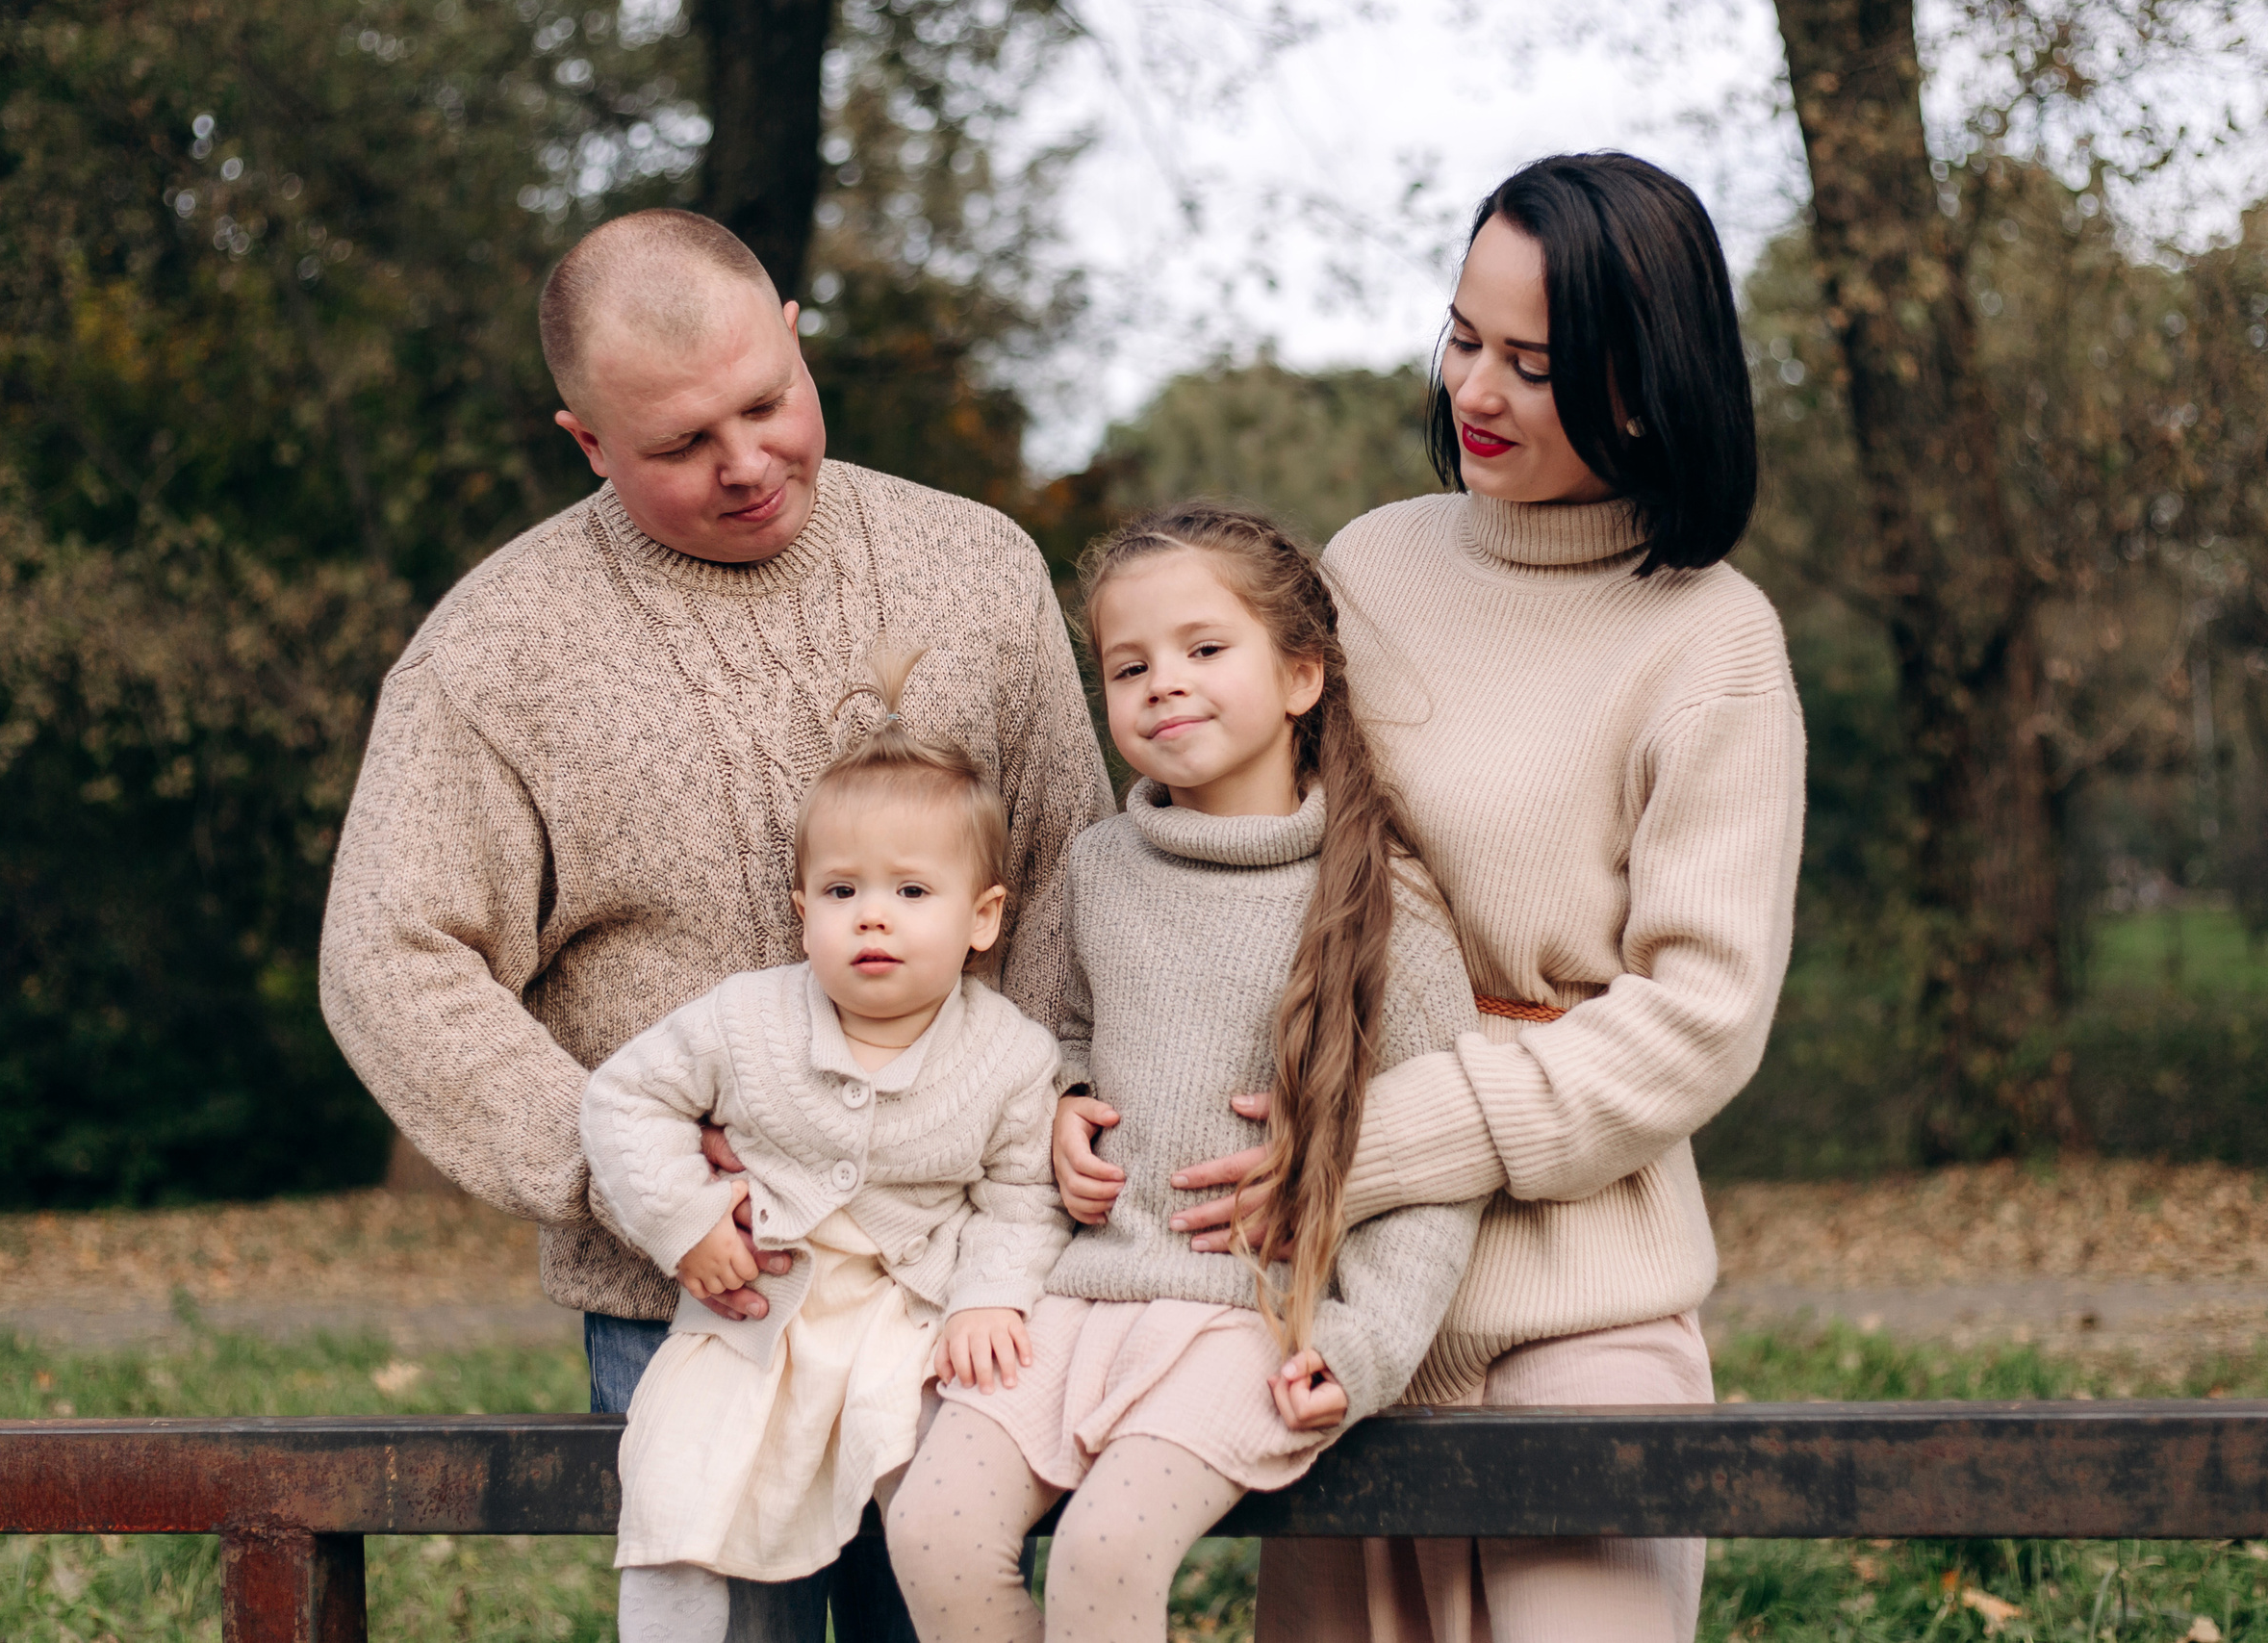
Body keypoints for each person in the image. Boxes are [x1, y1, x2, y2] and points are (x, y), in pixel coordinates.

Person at [319, 207, 1111, 1643]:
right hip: (694, 1295)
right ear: (585, 442)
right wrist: (629, 1169)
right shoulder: (495, 650)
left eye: (767, 403)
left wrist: (1041, 1120)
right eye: (682, 444)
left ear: (798, 336)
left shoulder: (979, 568)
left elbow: (1065, 870)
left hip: (958, 1282)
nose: (746, 463)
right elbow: (390, 954)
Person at [1058, 154, 1807, 1642]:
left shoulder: (1714, 642)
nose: (1477, 386)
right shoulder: (1370, 568)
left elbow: (1698, 1021)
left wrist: (1377, 1135)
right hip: (1321, 1310)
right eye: (1465, 335)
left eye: (1536, 364)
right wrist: (1080, 1080)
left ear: (1646, 387)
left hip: (1572, 1296)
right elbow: (1226, 874)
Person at [884, 503, 1488, 1643]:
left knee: (1105, 1554)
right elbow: (1045, 1040)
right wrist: (1059, 1108)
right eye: (1128, 666)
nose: (1165, 682)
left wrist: (1364, 1347)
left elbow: (1441, 1173)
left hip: (1247, 1324)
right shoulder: (1097, 868)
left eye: (1205, 650)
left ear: (1301, 676)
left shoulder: (1380, 901)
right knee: (932, 1530)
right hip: (1074, 1303)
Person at [582, 650, 1070, 1643]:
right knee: (685, 1490)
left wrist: (989, 1298)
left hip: (915, 1324)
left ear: (982, 919)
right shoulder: (746, 1021)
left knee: (945, 1520)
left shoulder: (1010, 1056)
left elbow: (1025, 1196)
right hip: (762, 1317)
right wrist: (683, 1222)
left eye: (911, 892)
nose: (873, 916)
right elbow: (624, 1099)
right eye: (842, 892)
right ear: (804, 916)